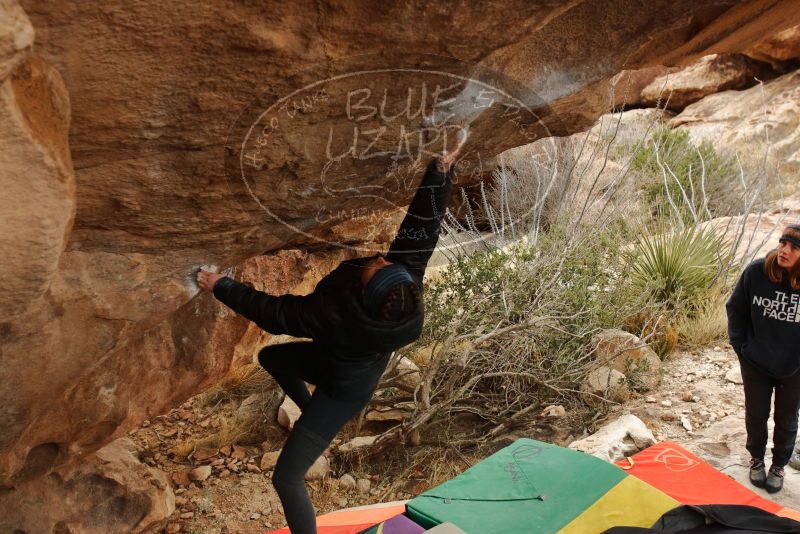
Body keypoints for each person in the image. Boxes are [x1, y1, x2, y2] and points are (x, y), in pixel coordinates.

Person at [196, 130, 467, 533]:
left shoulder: (334, 316)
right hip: (336, 363)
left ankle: (317, 422)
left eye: (377, 266)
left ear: (365, 292)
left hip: (344, 393)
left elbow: (274, 313)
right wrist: (440, 172)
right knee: (272, 357)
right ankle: (308, 412)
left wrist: (221, 286)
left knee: (285, 479)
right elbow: (422, 229)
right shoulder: (402, 286)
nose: (378, 257)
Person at [726, 223, 800, 494]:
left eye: (794, 247)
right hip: (756, 361)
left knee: (787, 417)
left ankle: (778, 465)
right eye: (783, 243)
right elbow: (735, 309)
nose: (784, 250)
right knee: (756, 414)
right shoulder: (757, 272)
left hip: (794, 367)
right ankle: (757, 459)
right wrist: (741, 347)